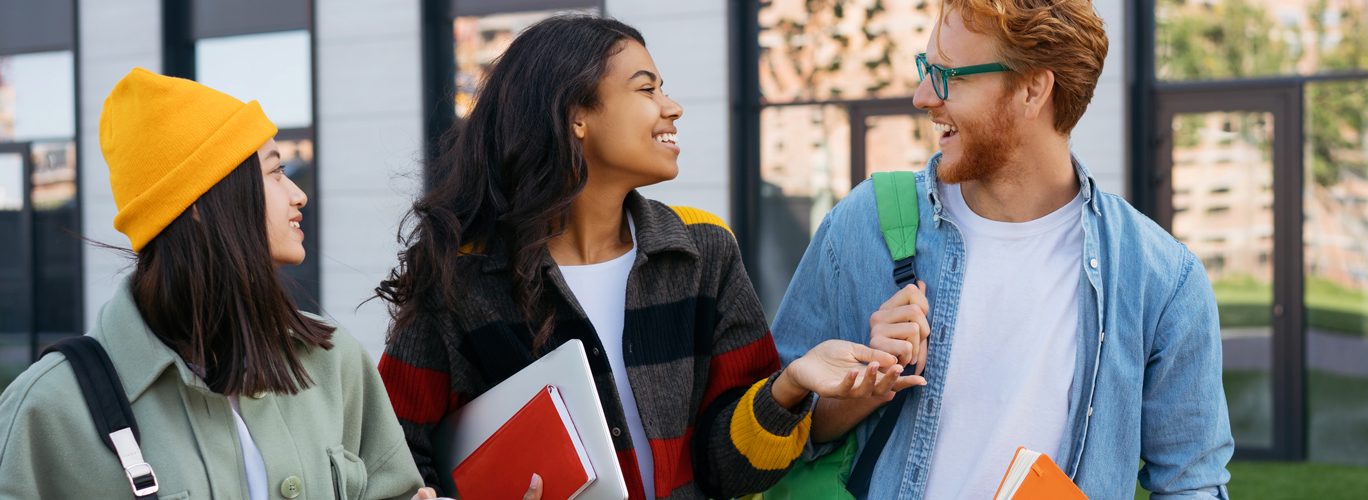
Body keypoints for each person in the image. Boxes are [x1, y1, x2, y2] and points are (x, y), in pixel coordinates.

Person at [375, 15, 920, 500]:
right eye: (647, 88)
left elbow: (730, 473)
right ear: (575, 117)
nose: (672, 107)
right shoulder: (461, 274)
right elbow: (390, 455)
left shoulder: (704, 249)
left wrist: (789, 386)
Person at [772, 1, 1234, 498]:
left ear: (1033, 89)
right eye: (927, 68)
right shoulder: (864, 224)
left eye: (949, 75)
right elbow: (768, 434)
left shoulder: (1161, 277)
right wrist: (864, 390)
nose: (922, 95)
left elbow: (1192, 483)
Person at [0, 68, 431, 499]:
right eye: (276, 173)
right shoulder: (48, 408)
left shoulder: (334, 363)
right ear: (199, 203)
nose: (298, 194)